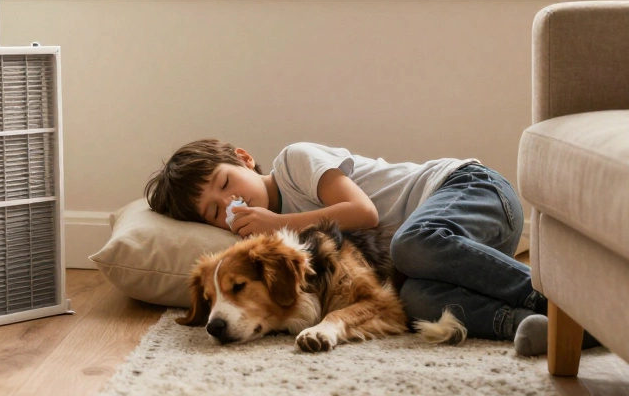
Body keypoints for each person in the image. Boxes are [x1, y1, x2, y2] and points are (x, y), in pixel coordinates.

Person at [143, 138, 599, 355]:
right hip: (442, 255)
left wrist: (274, 222)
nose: (230, 202)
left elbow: (363, 214)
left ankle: (571, 303)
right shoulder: (252, 244)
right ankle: (543, 325)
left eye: (225, 182)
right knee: (415, 301)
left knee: (410, 244)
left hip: (471, 191)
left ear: (243, 158)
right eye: (212, 210)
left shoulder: (292, 162)